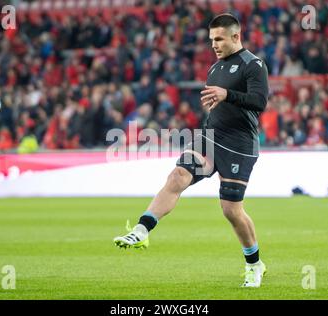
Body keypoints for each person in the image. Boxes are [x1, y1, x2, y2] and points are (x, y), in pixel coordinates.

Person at [114, 13, 269, 288]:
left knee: (231, 211)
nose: (214, 45)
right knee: (177, 176)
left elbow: (259, 102)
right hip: (210, 137)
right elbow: (219, 103)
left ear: (236, 36)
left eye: (219, 39)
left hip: (239, 145)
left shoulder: (253, 65)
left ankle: (254, 264)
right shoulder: (214, 69)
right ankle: (142, 229)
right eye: (212, 40)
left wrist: (227, 95)